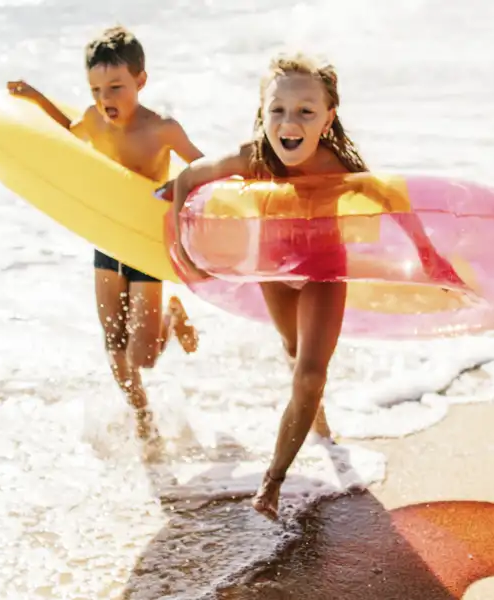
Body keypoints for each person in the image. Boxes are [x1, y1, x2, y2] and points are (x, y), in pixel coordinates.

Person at [166, 51, 462, 519]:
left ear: (328, 118)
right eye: (277, 110)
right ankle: (316, 418)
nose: (290, 122)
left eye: (306, 111)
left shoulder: (340, 166)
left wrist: (429, 256)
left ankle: (272, 481)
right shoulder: (253, 158)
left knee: (309, 374)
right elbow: (188, 177)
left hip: (324, 271)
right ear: (262, 113)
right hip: (275, 271)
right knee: (292, 349)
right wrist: (185, 247)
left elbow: (393, 200)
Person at [7, 25, 205, 437]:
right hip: (108, 238)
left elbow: (203, 168)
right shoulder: (94, 120)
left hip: (144, 241)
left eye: (115, 87)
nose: (105, 99)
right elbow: (66, 133)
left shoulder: (162, 129)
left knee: (144, 355)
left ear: (140, 81)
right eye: (96, 89)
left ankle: (172, 316)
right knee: (113, 339)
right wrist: (36, 97)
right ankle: (143, 415)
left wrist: (185, 190)